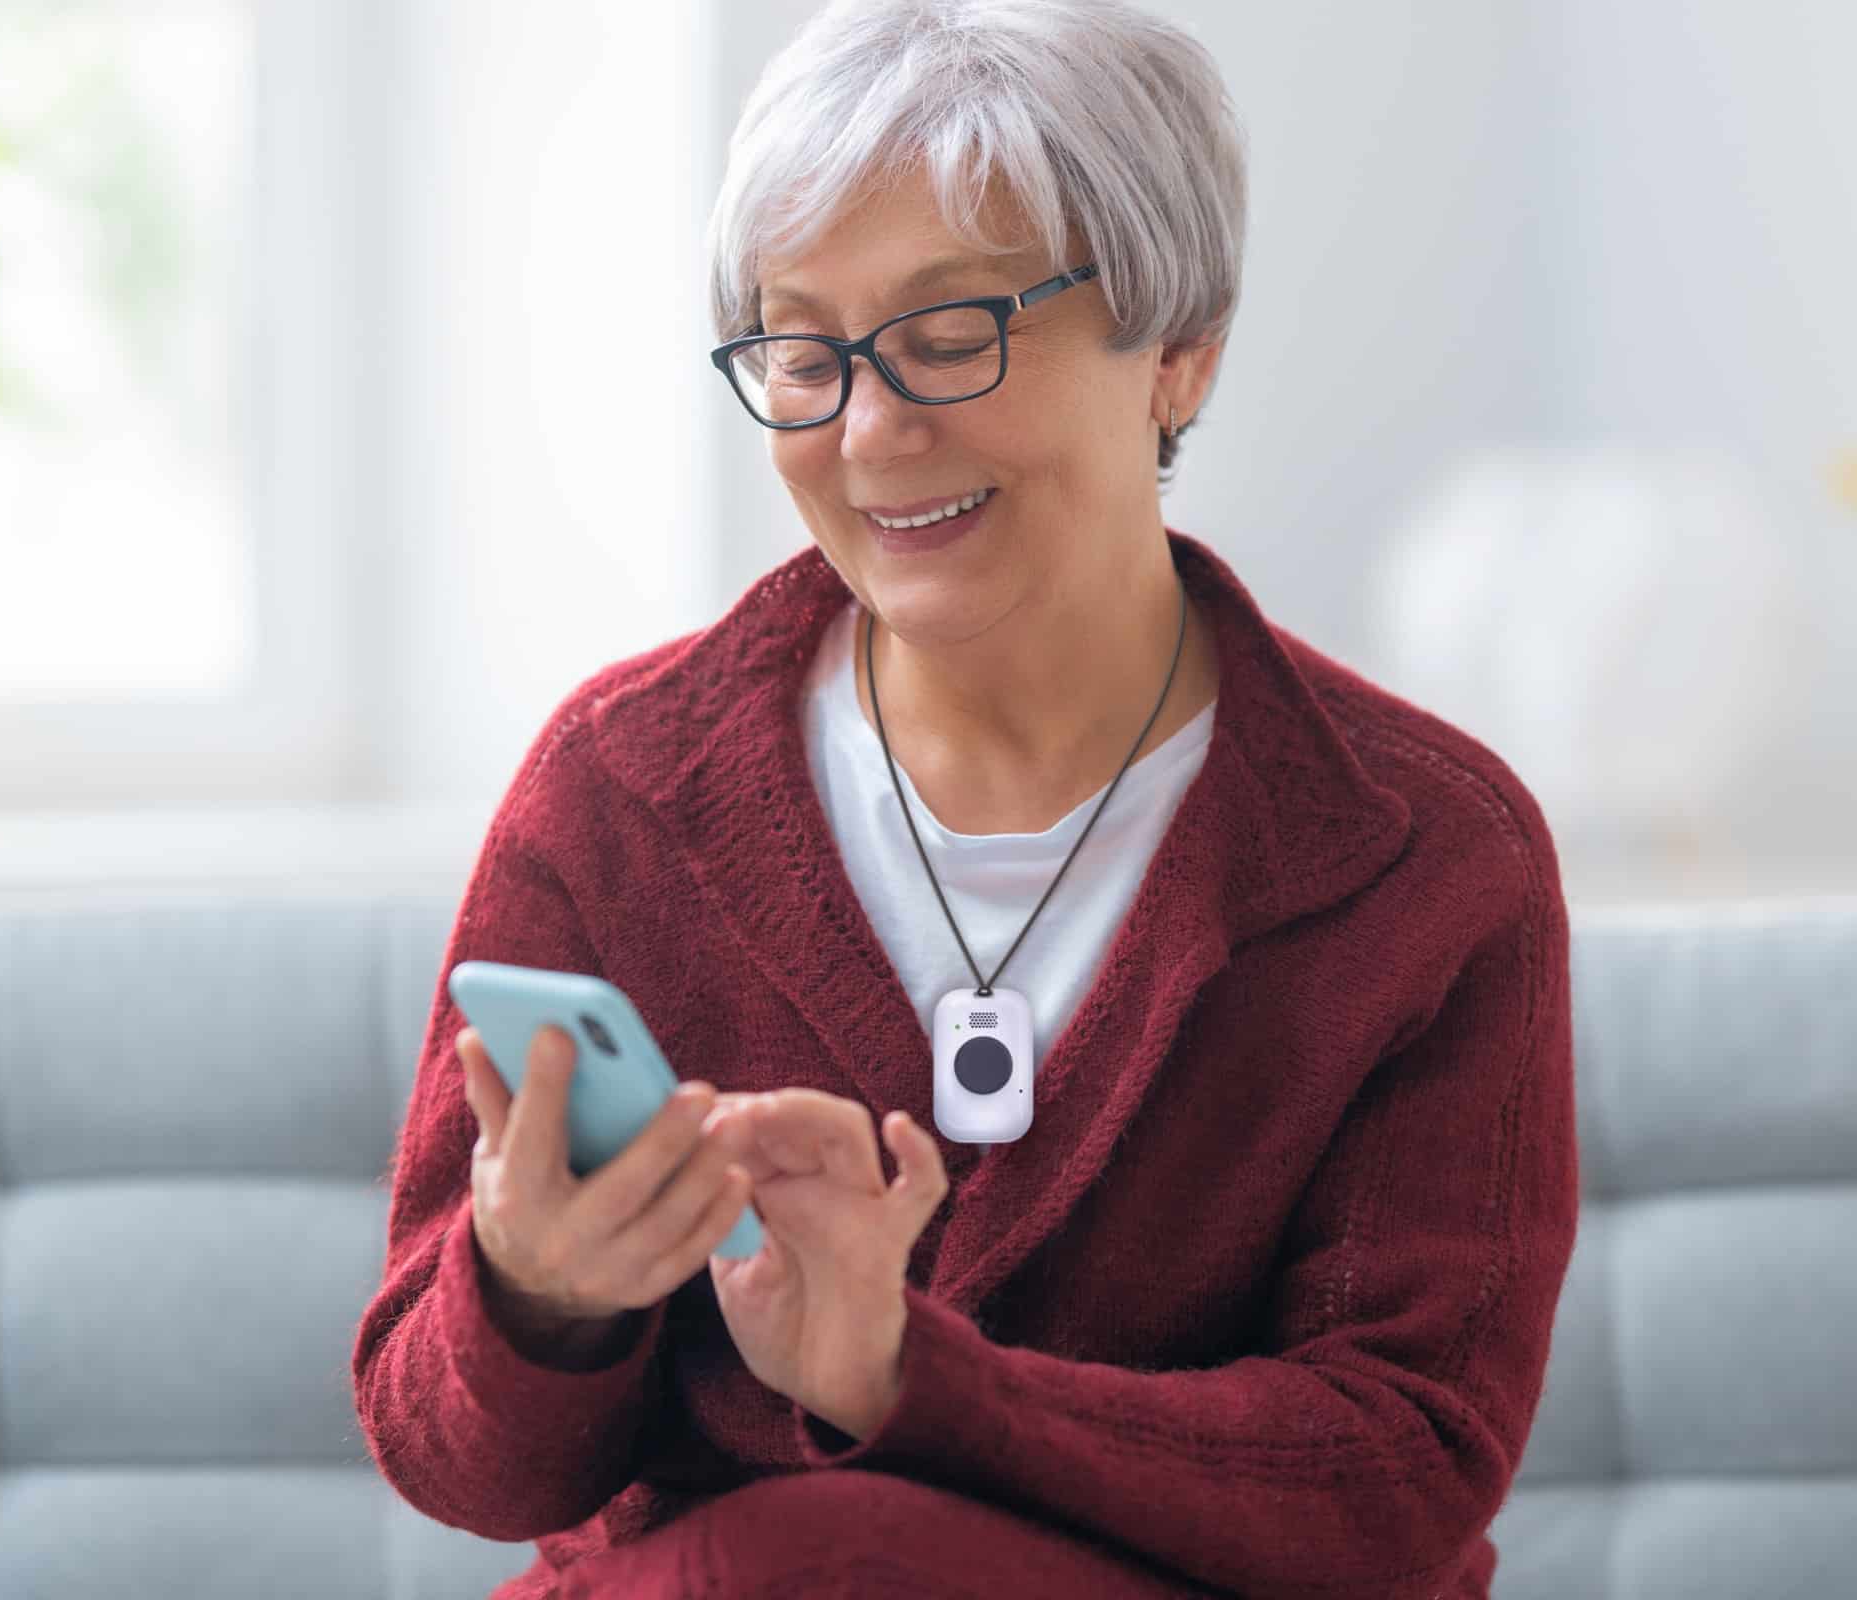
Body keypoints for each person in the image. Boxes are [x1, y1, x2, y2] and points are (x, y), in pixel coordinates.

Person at [353, 1, 1578, 1594]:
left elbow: (1397, 1471)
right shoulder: (624, 790)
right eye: (804, 351)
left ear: (1179, 349)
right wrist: (533, 1294)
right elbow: (449, 1457)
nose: (867, 430)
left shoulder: (1423, 861)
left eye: (949, 337)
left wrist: (905, 1380)